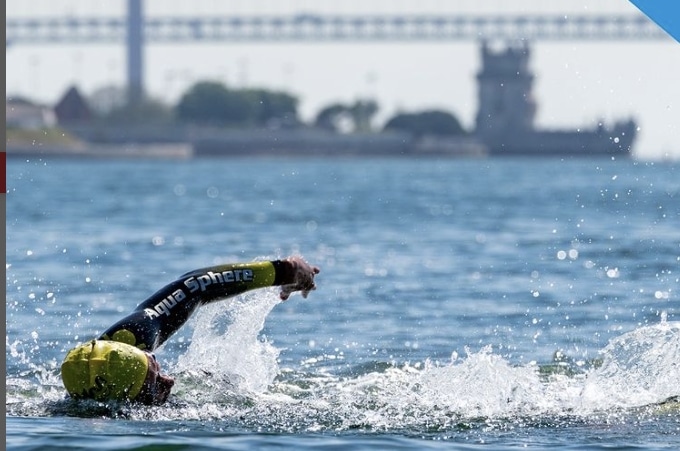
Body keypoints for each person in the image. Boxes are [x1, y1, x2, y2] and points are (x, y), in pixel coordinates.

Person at [60, 256, 320, 405]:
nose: (169, 380)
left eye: (156, 368)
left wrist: (282, 271)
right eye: (153, 383)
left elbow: (195, 285)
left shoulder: (129, 339)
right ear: (127, 398)